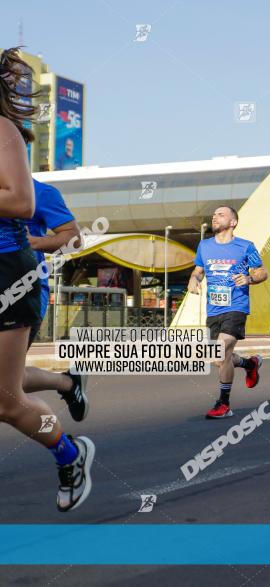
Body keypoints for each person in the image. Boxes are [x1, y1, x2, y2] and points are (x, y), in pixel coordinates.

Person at [0, 47, 94, 511]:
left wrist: (36, 247)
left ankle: (69, 453)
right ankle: (64, 383)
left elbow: (33, 212)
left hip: (11, 280)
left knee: (5, 399)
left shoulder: (8, 141)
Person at [187, 205, 267, 418]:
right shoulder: (204, 246)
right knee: (217, 357)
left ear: (233, 222)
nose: (215, 217)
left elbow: (262, 271)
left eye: (220, 214)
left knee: (221, 352)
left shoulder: (245, 246)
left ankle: (223, 404)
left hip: (236, 306)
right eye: (214, 215)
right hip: (214, 309)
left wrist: (250, 278)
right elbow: (198, 271)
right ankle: (249, 364)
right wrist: (193, 280)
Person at [21, 179, 89, 420]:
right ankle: (67, 383)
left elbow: (74, 239)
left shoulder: (40, 191)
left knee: (6, 384)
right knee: (9, 381)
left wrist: (31, 242)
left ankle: (67, 450)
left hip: (22, 292)